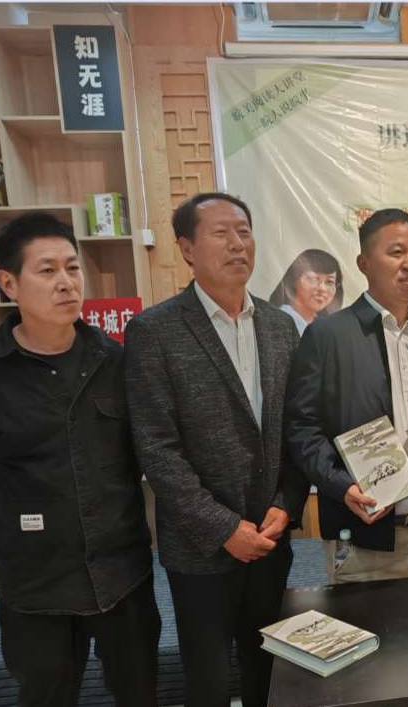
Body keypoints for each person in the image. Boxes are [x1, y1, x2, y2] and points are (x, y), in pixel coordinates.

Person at [0, 212, 158, 707]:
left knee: (140, 694)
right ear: (8, 283)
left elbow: (140, 457)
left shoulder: (115, 361)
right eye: (47, 270)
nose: (66, 282)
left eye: (72, 268)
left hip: (122, 576)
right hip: (35, 587)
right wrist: (16, 534)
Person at [124, 192, 307, 707]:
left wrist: (286, 504)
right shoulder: (154, 331)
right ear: (186, 248)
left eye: (244, 232)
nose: (237, 245)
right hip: (201, 547)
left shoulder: (279, 326)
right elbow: (156, 448)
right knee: (207, 678)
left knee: (268, 669)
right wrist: (223, 528)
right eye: (221, 233)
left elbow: (296, 427)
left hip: (270, 536)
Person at [285, 208, 408, 583]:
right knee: (369, 625)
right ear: (364, 263)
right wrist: (342, 486)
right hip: (366, 540)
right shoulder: (328, 336)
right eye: (396, 252)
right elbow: (301, 428)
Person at [268, 248, 344, 334]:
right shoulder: (279, 321)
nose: (322, 288)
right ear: (294, 279)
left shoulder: (326, 326)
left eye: (329, 282)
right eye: (313, 279)